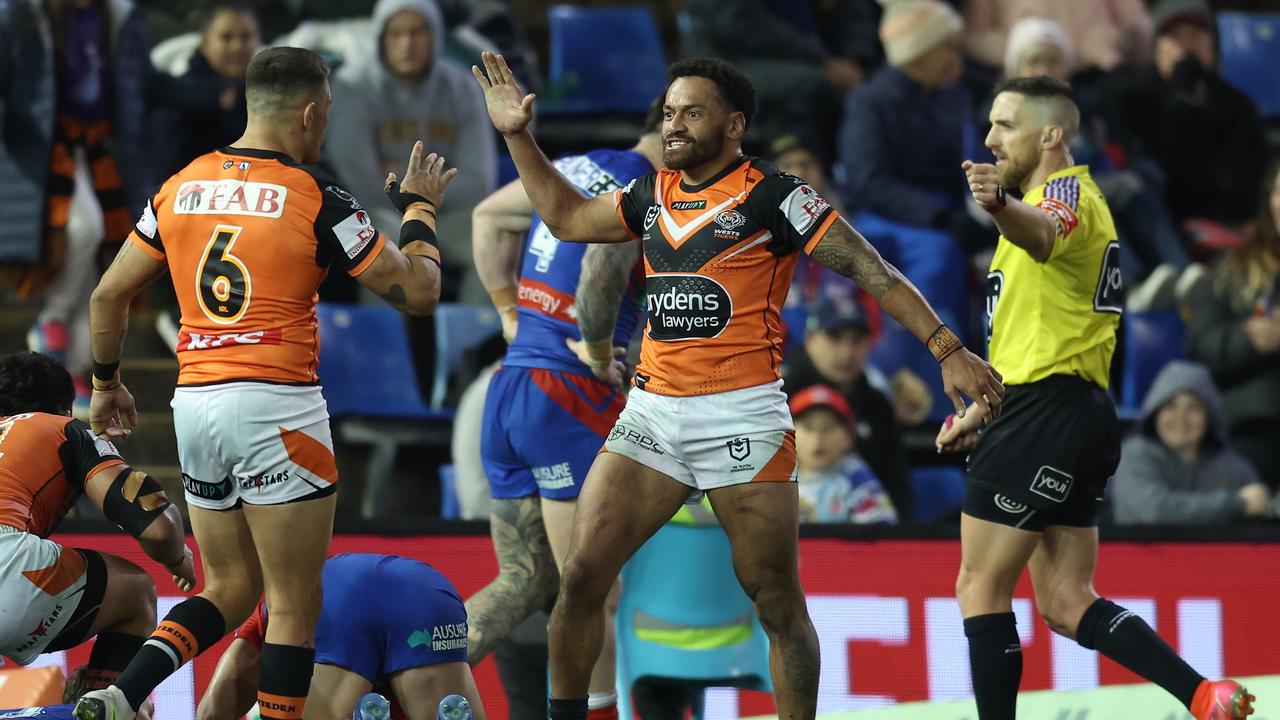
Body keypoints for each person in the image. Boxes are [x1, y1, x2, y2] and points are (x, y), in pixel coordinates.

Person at [473, 51, 1003, 719]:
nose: (673, 124)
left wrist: (948, 348)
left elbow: (871, 270)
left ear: (733, 125)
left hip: (742, 419)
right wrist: (518, 135)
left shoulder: (776, 195)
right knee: (579, 578)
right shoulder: (650, 195)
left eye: (691, 112)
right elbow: (567, 219)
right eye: (668, 112)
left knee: (776, 600)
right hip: (653, 414)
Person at [75, 47, 454, 720]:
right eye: (328, 112)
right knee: (293, 604)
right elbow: (419, 292)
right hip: (278, 407)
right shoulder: (316, 195)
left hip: (195, 405)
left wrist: (105, 385)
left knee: (228, 586)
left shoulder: (181, 183)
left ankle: (119, 694)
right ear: (309, 114)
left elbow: (108, 296)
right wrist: (420, 211)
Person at [935, 75, 1254, 720]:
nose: (991, 138)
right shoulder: (1053, 205)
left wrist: (1000, 205)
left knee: (980, 584)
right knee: (1064, 599)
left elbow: (1046, 231)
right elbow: (1037, 341)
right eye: (990, 125)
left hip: (1044, 412)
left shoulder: (1063, 194)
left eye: (1006, 124)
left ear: (1051, 134)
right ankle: (1203, 695)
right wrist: (980, 409)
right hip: (1076, 412)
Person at [464, 98, 663, 720]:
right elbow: (602, 270)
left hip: (513, 385)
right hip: (570, 392)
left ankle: (379, 681)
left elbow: (489, 216)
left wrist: (507, 315)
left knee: (526, 583)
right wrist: (600, 349)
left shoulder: (576, 166)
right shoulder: (651, 190)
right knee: (592, 590)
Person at [0, 352, 194, 692]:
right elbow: (158, 528)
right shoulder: (61, 428)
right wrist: (177, 558)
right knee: (136, 590)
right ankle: (104, 707)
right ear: (64, 408)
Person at [0, 0, 157, 410]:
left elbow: (143, 82)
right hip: (46, 148)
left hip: (98, 146)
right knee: (82, 228)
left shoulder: (118, 15)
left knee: (95, 259)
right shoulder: (24, 12)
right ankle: (51, 318)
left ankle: (75, 370)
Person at [328, 0, 496, 302]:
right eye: (396, 33)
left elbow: (479, 180)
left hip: (447, 215)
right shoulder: (351, 85)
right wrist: (434, 185)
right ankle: (387, 347)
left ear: (435, 35)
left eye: (418, 32)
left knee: (494, 238)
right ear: (381, 37)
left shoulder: (463, 87)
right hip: (376, 214)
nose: (407, 43)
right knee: (382, 246)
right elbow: (357, 179)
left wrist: (404, 185)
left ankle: (472, 344)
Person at [196, 553, 486, 720]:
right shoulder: (273, 612)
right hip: (425, 591)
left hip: (336, 602)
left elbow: (211, 713)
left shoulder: (268, 622)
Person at [1186, 162, 1280, 489]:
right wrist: (1252, 340)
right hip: (1254, 424)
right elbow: (1203, 347)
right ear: (1269, 200)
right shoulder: (1234, 268)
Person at [784, 293, 911, 518]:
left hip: (868, 537)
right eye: (835, 338)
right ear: (810, 338)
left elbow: (896, 485)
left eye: (856, 340)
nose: (847, 353)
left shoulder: (877, 404)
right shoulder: (779, 397)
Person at [1112, 361, 1272, 525]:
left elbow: (1261, 507)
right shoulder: (1134, 455)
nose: (1181, 418)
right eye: (1170, 406)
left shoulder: (1233, 466)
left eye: (1193, 407)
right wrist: (1236, 504)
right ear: (1155, 412)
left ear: (1209, 417)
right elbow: (1153, 511)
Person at [153, 4, 262, 181]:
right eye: (226, 38)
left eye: (246, 37)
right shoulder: (176, 98)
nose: (237, 46)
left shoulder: (266, 95)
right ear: (205, 43)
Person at [791, 385, 898, 524]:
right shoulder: (779, 476)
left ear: (848, 437)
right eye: (808, 427)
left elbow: (880, 527)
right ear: (789, 434)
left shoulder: (855, 474)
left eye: (828, 428)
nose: (818, 438)